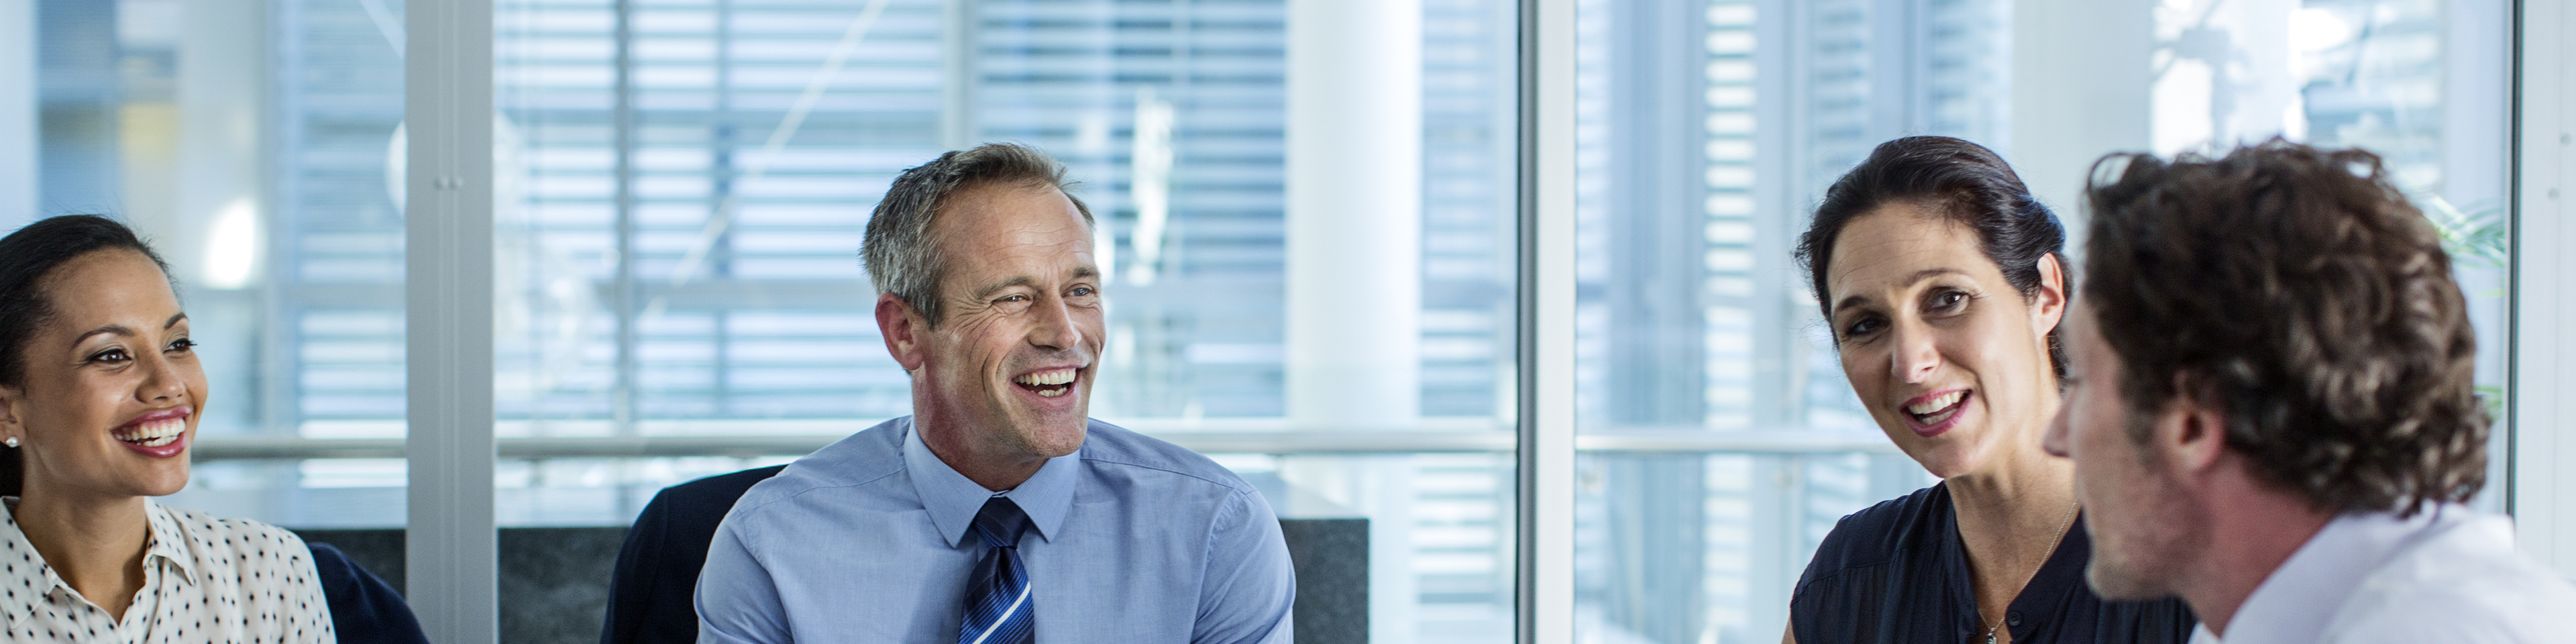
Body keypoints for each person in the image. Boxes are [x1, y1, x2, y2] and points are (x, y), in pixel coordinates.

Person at [694, 143, 1296, 644]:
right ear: (905, 332)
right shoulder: (772, 542)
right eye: (1013, 297)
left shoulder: (1216, 530)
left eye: (1081, 291)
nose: (1065, 334)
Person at [2045, 140, 2576, 643]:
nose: (2057, 435)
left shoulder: (2442, 632)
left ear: (2192, 424)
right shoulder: (2256, 619)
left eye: (2083, 384)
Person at [1785, 136, 2194, 644]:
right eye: (1867, 325)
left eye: (1948, 299)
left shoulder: (2192, 564)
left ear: (2045, 294)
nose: (1912, 364)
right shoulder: (1849, 579)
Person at [0, 215, 335, 642]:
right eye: (111, 355)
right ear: (7, 411)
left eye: (177, 345)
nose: (170, 385)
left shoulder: (269, 573)